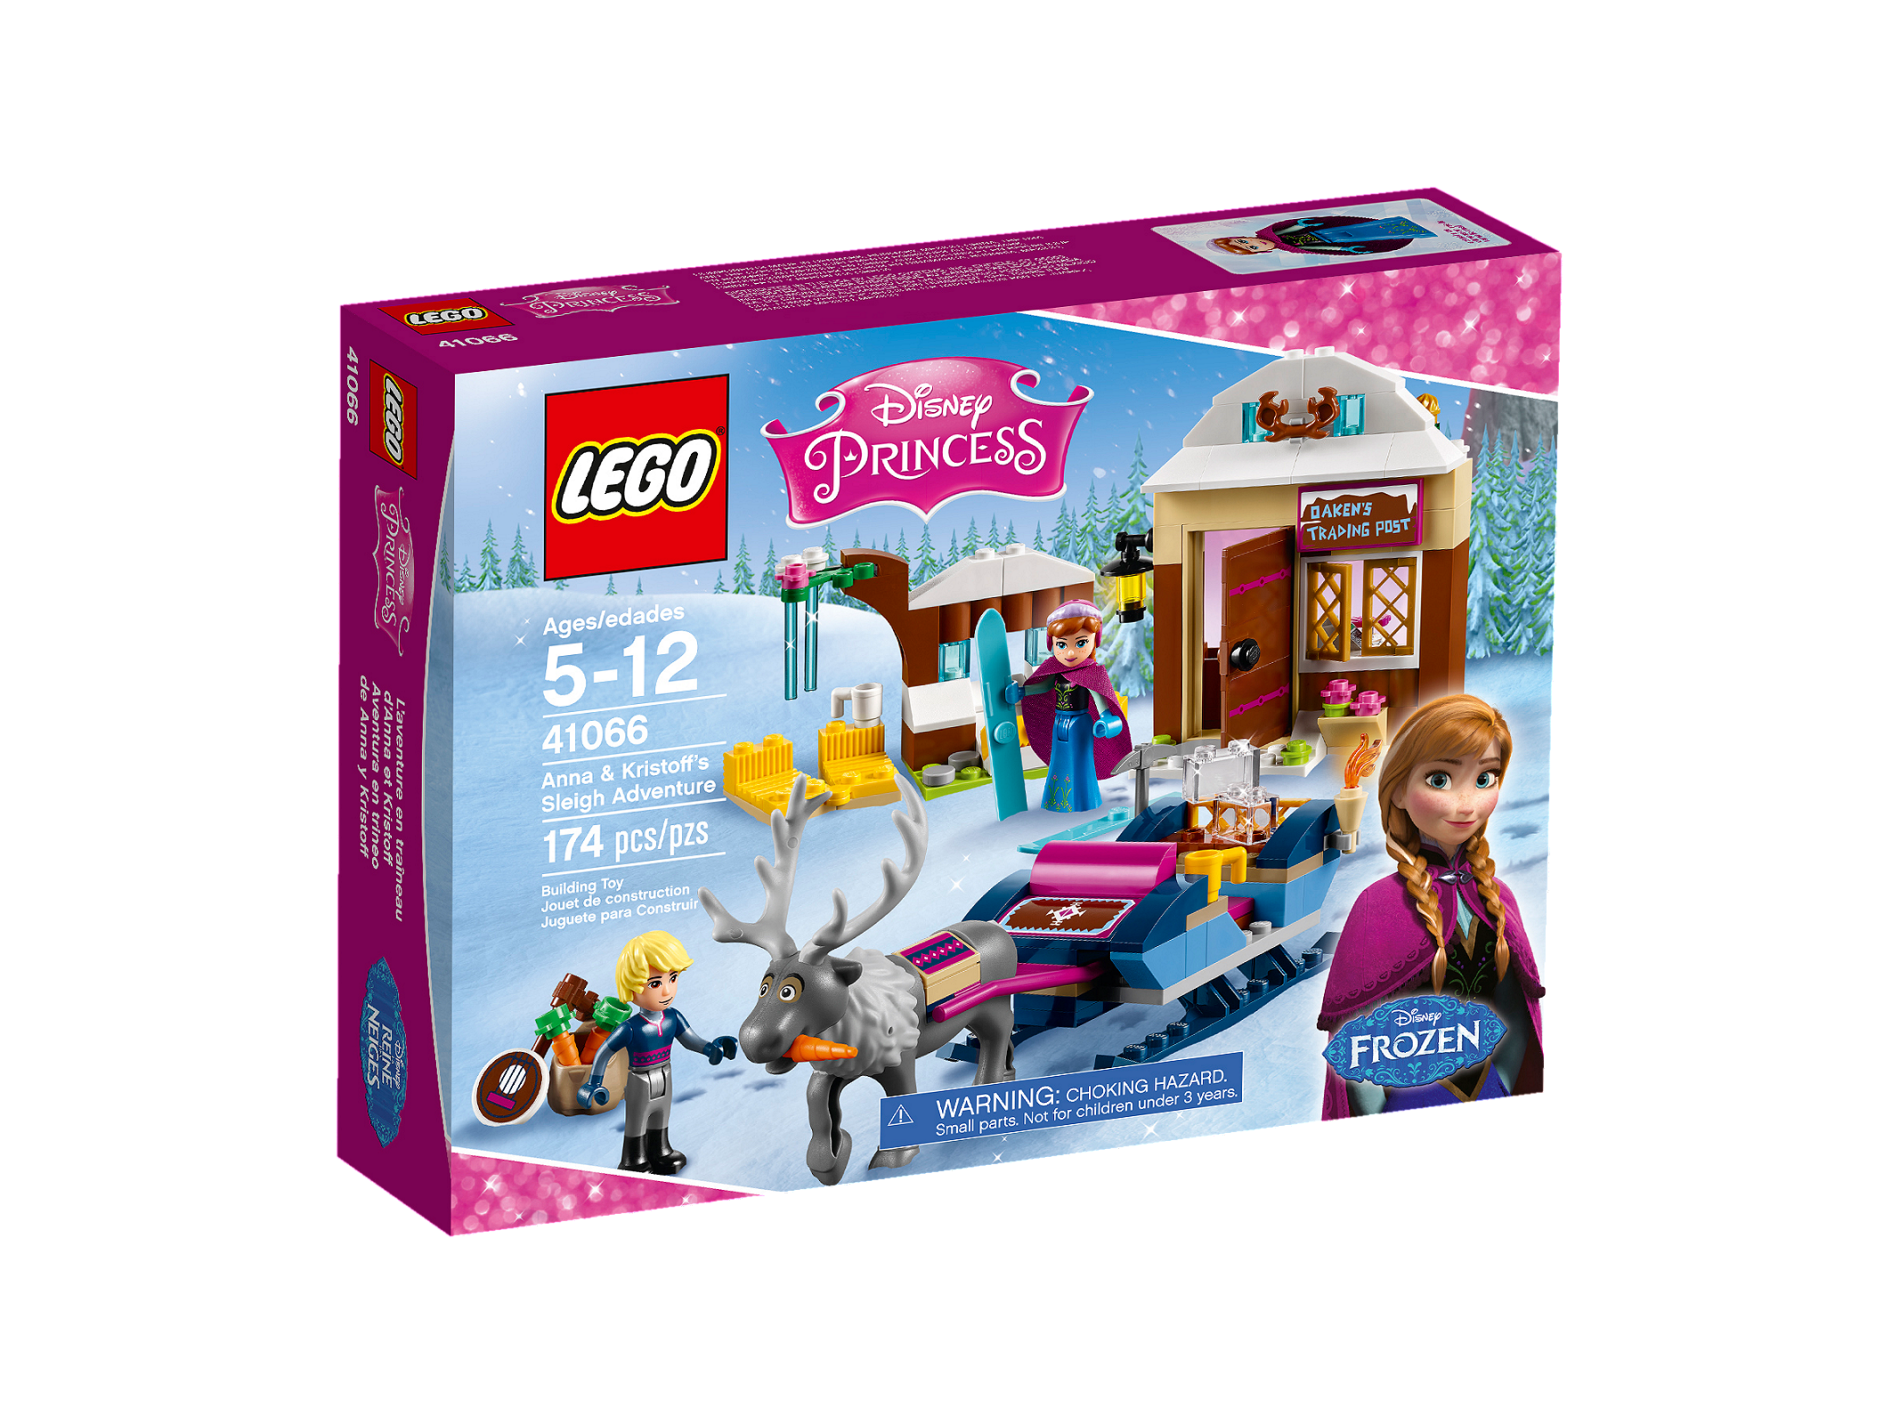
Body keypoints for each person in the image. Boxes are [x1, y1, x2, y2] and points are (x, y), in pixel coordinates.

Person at [1316, 694, 1544, 1118]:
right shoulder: (1377, 906)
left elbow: (1517, 1014)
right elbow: (1354, 1039)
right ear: (1398, 791)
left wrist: (1502, 1085)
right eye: (1440, 779)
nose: (1467, 804)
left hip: (1488, 1094)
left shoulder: (1497, 898)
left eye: (1485, 778)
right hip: (1406, 1106)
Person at [575, 930, 737, 1173]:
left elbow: (690, 1039)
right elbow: (604, 1052)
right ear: (631, 988)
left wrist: (710, 1049)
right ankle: (633, 1159)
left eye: (673, 978)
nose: (666, 991)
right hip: (640, 1078)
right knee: (637, 1119)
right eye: (655, 983)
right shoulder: (630, 1027)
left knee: (661, 1114)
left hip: (665, 1073)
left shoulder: (673, 1017)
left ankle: (660, 1150)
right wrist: (594, 1082)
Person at [1004, 600, 1132, 813]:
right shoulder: (1054, 671)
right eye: (1062, 645)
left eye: (1080, 643)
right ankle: (1056, 800)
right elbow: (1044, 686)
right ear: (1052, 644)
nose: (1070, 653)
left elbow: (1100, 701)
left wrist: (1107, 719)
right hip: (1059, 721)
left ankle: (1083, 801)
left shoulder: (1092, 674)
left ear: (1094, 640)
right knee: (1058, 760)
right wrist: (1022, 692)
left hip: (1080, 723)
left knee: (1080, 761)